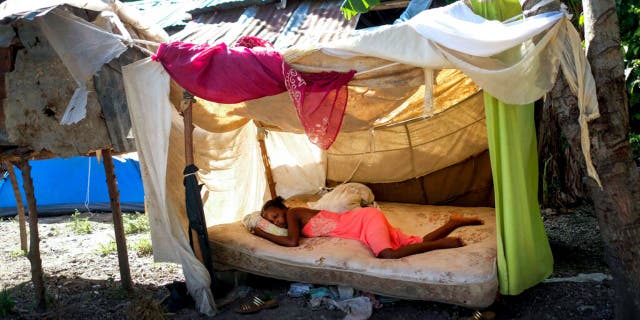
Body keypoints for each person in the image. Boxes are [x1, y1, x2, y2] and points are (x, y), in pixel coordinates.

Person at [253, 196, 483, 259]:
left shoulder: (293, 213)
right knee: (418, 242)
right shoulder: (293, 216)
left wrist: (262, 232)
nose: (277, 222)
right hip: (361, 225)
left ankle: (443, 244)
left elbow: (292, 242)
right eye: (272, 222)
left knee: (387, 254)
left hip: (364, 219)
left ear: (283, 208)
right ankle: (453, 222)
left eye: (275, 216)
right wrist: (268, 228)